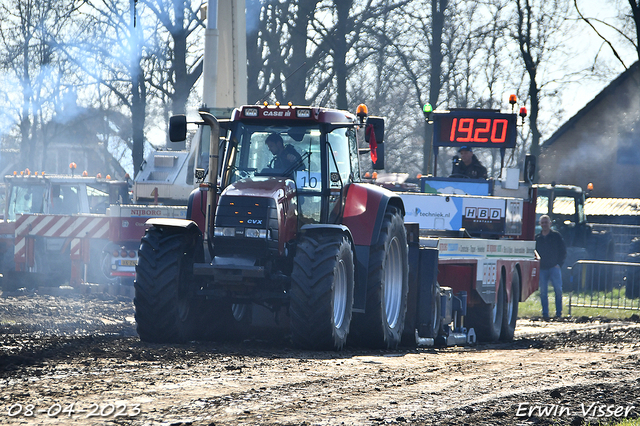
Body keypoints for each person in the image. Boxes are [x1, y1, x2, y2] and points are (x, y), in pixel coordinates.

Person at [535, 214, 567, 319]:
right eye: (542, 222)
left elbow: (563, 251)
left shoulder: (556, 236)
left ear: (550, 223)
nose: (544, 224)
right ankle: (545, 314)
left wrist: (559, 264)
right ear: (540, 224)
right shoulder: (537, 238)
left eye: (546, 222)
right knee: (543, 292)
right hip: (542, 269)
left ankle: (558, 313)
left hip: (554, 268)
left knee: (558, 290)